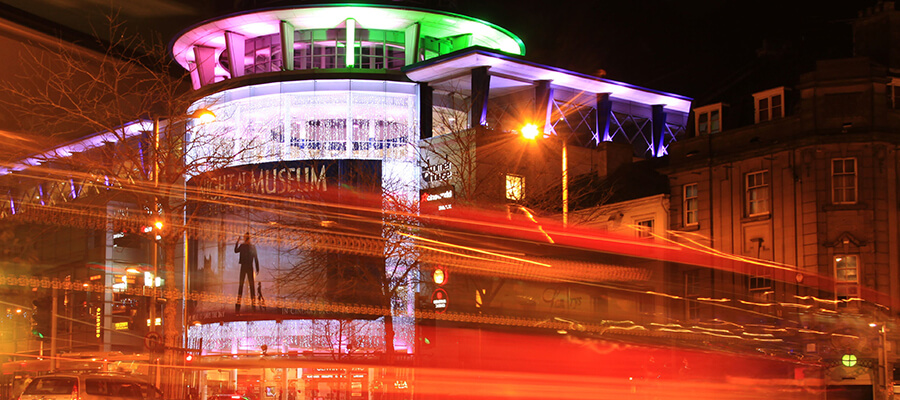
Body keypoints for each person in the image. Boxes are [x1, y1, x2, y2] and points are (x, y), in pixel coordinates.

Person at [234, 232, 260, 312]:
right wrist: (257, 268)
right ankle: (253, 305)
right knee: (250, 285)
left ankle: (239, 305)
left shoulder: (243, 246)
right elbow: (255, 258)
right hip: (249, 266)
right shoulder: (251, 247)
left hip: (245, 266)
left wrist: (237, 242)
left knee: (242, 285)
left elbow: (236, 250)